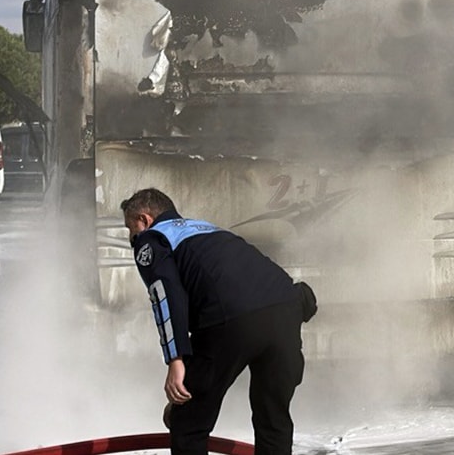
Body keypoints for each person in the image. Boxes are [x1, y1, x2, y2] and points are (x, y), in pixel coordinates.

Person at [121, 188, 315, 454]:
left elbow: (166, 294)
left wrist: (176, 360)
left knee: (188, 422)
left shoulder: (152, 239)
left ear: (144, 220)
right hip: (286, 307)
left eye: (130, 228)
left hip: (230, 318)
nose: (131, 237)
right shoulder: (208, 229)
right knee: (273, 417)